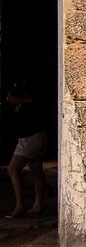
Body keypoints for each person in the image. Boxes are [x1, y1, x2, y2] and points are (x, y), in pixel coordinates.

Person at [5, 76, 47, 219]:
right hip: (36, 136)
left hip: (30, 139)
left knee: (12, 169)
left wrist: (15, 87)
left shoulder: (28, 98)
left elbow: (9, 97)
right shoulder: (27, 100)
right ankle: (38, 205)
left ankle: (19, 206)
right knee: (36, 170)